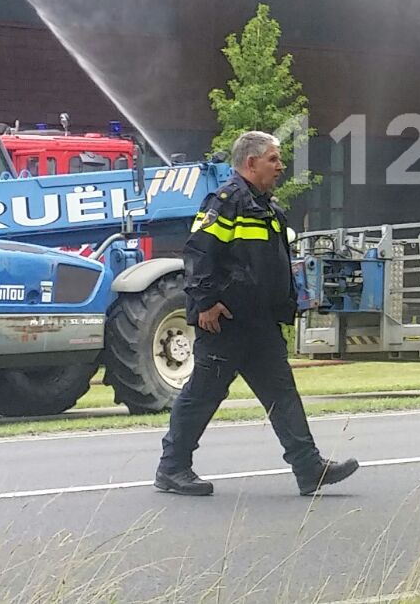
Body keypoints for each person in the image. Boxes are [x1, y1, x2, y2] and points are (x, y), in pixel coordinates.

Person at [154, 131, 359, 497]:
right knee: (203, 395)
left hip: (260, 322)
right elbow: (199, 253)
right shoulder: (225, 202)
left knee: (283, 394)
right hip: (226, 321)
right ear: (251, 163)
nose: (281, 166)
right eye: (273, 159)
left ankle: (308, 467)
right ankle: (172, 469)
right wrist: (205, 303)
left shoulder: (269, 208)